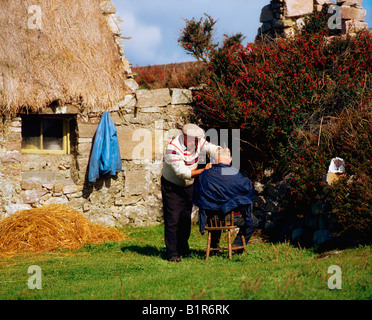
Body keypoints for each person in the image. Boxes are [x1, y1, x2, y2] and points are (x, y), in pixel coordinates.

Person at [161, 123, 222, 262]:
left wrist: (221, 153)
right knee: (173, 219)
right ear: (186, 137)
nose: (197, 143)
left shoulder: (197, 141)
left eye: (197, 140)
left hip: (188, 185)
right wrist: (204, 171)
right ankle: (172, 253)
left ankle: (183, 248)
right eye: (194, 140)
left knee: (185, 218)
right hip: (172, 185)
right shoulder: (173, 148)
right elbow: (183, 173)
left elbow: (211, 148)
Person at [193, 148, 258, 250]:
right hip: (229, 219)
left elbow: (197, 196)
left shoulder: (204, 175)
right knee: (253, 221)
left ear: (213, 161)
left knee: (215, 211)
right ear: (230, 161)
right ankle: (237, 246)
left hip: (210, 218)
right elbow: (247, 191)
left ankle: (214, 247)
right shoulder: (235, 175)